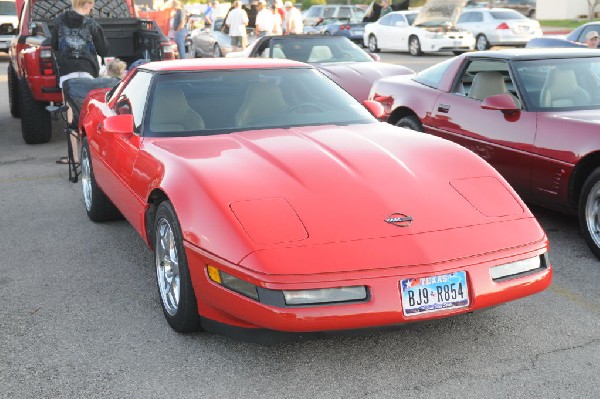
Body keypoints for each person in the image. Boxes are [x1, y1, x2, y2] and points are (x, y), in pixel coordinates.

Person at [51, 0, 108, 166]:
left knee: (70, 115)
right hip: (87, 71)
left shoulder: (59, 20)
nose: (92, 8)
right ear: (88, 4)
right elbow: (104, 50)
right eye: (92, 5)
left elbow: (54, 44)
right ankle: (90, 156)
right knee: (87, 113)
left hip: (67, 72)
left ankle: (74, 157)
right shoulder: (92, 24)